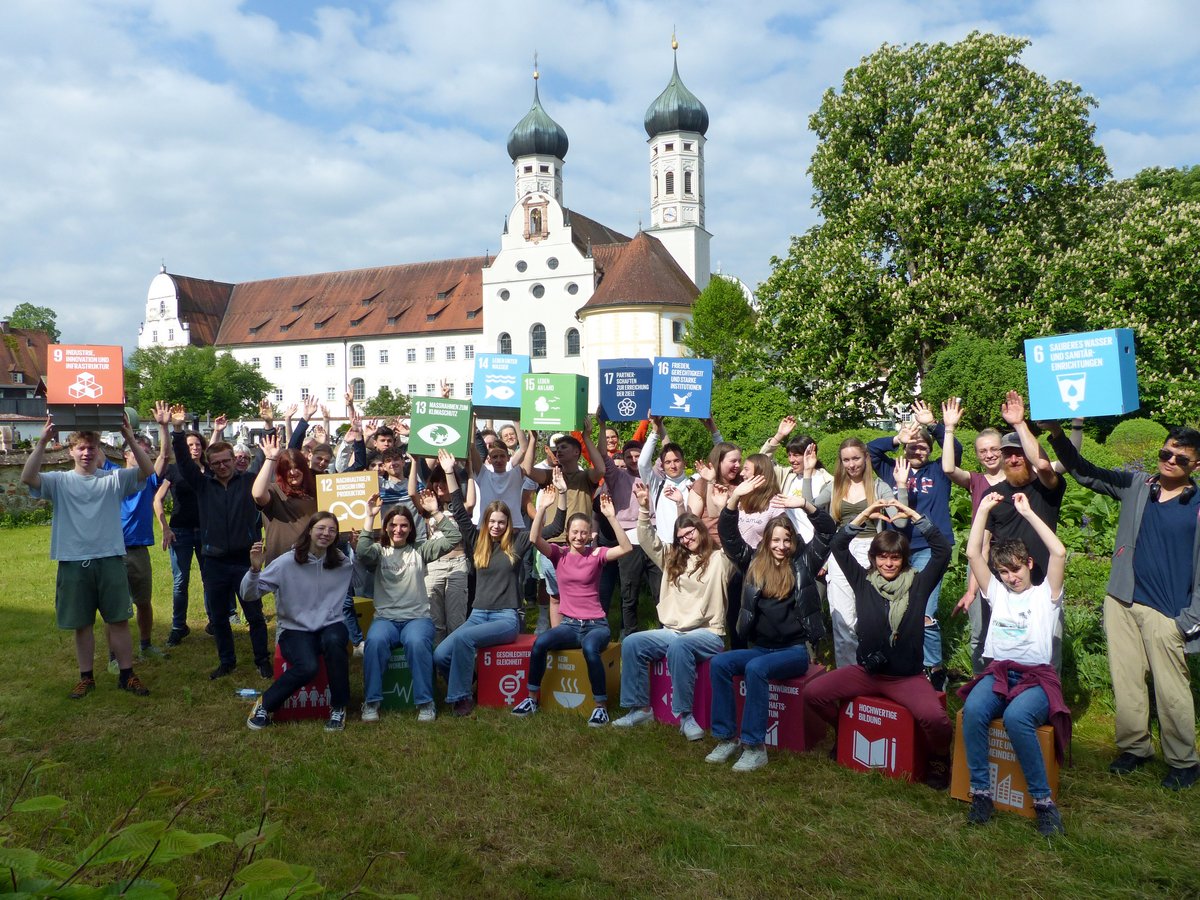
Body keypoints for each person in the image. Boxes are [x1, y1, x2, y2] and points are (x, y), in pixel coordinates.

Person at [1047, 420, 1200, 791]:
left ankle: (1183, 760)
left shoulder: (1196, 504)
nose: (1169, 460)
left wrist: (1189, 620)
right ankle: (1135, 748)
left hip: (1169, 613)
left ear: (1195, 465)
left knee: (1171, 688)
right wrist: (1056, 434)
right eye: (1166, 453)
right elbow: (1084, 473)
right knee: (1127, 681)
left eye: (1180, 458)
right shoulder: (1138, 486)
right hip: (1123, 600)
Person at [802, 497, 954, 789]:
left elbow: (942, 550)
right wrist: (866, 514)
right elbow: (838, 546)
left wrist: (912, 515)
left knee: (936, 720)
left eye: (894, 558)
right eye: (882, 557)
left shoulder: (919, 584)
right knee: (813, 694)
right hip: (866, 673)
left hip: (905, 677)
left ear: (903, 560)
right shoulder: (863, 580)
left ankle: (939, 758)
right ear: (873, 559)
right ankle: (846, 731)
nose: (888, 563)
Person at [22, 407, 162, 699]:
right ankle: (86, 677)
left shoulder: (113, 480)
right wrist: (42, 441)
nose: (87, 453)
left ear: (100, 450)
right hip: (73, 561)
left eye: (92, 447)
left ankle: (127, 674)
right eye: (81, 448)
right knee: (82, 623)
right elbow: (28, 477)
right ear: (71, 451)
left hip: (110, 558)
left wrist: (129, 436)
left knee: (119, 621)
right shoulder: (59, 481)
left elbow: (149, 471)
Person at [958, 491, 1070, 835]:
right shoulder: (998, 593)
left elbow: (1059, 551)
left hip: (1037, 679)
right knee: (974, 711)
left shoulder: (1045, 594)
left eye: (1016, 569)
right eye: (1004, 571)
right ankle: (980, 793)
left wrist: (1028, 513)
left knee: (1017, 717)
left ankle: (1043, 802)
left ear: (1029, 564)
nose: (1011, 577)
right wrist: (983, 510)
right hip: (999, 672)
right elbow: (973, 552)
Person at [706, 476, 835, 771]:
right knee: (720, 664)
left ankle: (755, 746)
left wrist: (803, 504)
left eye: (786, 540)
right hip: (761, 649)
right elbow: (728, 535)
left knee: (755, 670)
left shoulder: (804, 563)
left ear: (793, 542)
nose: (780, 545)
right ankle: (727, 738)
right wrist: (734, 498)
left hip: (793, 652)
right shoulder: (752, 563)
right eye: (775, 540)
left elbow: (827, 532)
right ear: (767, 541)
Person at [613, 482, 732, 740]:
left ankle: (685, 717)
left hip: (707, 633)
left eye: (690, 534)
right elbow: (646, 538)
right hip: (672, 631)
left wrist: (723, 510)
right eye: (681, 537)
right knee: (632, 643)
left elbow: (733, 543)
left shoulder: (720, 561)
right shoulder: (671, 558)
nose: (686, 540)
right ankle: (640, 709)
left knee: (680, 648)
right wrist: (644, 507)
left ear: (700, 530)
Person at [511, 481, 631, 725]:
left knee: (590, 650)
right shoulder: (559, 554)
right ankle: (532, 698)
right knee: (540, 643)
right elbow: (534, 538)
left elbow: (626, 547)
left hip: (596, 626)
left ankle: (600, 706)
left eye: (583, 532)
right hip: (568, 625)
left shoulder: (596, 555)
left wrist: (610, 516)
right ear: (567, 532)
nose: (579, 536)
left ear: (590, 535)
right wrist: (542, 507)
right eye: (574, 532)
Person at [170, 404, 271, 680]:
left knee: (254, 614)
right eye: (216, 463)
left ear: (234, 459)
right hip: (213, 560)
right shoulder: (203, 485)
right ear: (210, 466)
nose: (223, 466)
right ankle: (227, 661)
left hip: (244, 561)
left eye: (227, 460)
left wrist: (270, 425)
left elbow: (270, 461)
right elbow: (182, 462)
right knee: (219, 617)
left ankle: (262, 660)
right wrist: (178, 430)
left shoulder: (249, 481)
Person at [869, 403, 961, 689]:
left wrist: (933, 424)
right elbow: (871, 449)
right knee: (896, 610)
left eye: (923, 447)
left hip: (931, 550)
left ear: (931, 450)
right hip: (898, 551)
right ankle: (904, 661)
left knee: (924, 612)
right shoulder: (891, 469)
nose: (917, 451)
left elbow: (954, 449)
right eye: (912, 447)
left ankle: (934, 669)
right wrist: (898, 438)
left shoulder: (939, 472)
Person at [433, 451, 529, 716]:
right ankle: (472, 680)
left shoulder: (517, 543)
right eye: (492, 521)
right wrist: (450, 472)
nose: (496, 526)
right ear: (485, 522)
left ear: (509, 523)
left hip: (505, 618)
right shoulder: (477, 541)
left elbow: (551, 529)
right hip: (478, 616)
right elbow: (458, 511)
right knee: (440, 655)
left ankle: (461, 698)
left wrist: (547, 505)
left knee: (463, 640)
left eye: (502, 521)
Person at [356, 489, 462, 723]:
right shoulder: (379, 551)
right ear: (386, 527)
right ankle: (372, 701)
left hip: (416, 618)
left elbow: (454, 538)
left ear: (411, 529)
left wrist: (435, 512)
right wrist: (369, 516)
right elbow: (362, 552)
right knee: (374, 642)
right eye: (393, 525)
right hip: (386, 619)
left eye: (404, 526)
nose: (398, 530)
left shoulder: (420, 551)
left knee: (416, 643)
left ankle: (426, 702)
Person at [243, 512, 354, 732]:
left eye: (332, 530)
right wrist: (255, 570)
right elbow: (249, 594)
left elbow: (361, 578)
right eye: (321, 528)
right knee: (308, 666)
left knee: (334, 641)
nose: (326, 534)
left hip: (330, 624)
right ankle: (265, 704)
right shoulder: (286, 562)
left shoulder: (341, 561)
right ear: (310, 531)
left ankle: (339, 707)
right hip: (294, 629)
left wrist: (359, 550)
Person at [810, 438, 907, 669]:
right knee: (842, 618)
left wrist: (901, 485)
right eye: (846, 460)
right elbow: (810, 507)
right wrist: (807, 472)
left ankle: (875, 668)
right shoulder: (834, 486)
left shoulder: (879, 486)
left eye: (856, 458)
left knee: (872, 617)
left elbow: (901, 522)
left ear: (865, 458)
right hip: (842, 552)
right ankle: (847, 673)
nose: (852, 464)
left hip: (873, 552)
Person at [99, 427, 171, 669]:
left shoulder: (149, 479)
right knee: (114, 606)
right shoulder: (111, 473)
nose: (146, 454)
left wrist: (164, 427)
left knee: (143, 601)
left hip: (139, 550)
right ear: (126, 454)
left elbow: (164, 457)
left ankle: (146, 645)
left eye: (148, 451)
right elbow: (93, 447)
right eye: (141, 450)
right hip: (113, 550)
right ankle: (113, 657)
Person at [155, 426, 209, 647]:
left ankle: (215, 622)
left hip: (207, 532)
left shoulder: (210, 470)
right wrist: (165, 528)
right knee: (180, 581)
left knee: (211, 579)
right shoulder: (174, 471)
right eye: (189, 445)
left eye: (197, 444)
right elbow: (157, 499)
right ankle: (179, 626)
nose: (194, 448)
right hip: (181, 532)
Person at [251, 433, 318, 564]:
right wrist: (270, 459)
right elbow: (258, 494)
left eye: (297, 468)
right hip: (280, 561)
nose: (293, 472)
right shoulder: (274, 491)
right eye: (287, 469)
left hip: (312, 559)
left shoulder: (315, 492)